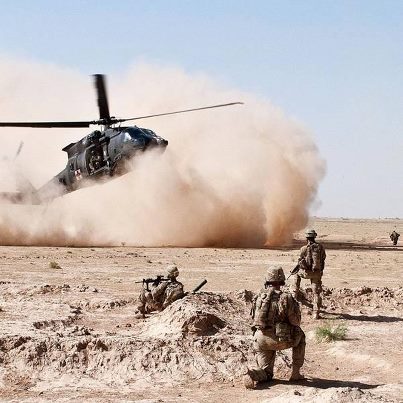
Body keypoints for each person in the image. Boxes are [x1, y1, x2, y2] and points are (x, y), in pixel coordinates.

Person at [244, 266, 306, 389]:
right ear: (282, 280)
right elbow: (295, 322)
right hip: (282, 339)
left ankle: (253, 375)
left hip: (261, 340)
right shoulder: (286, 297)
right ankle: (295, 373)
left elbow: (253, 319)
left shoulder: (258, 297)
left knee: (266, 373)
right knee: (301, 335)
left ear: (267, 280)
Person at [291, 229, 326, 319]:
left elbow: (300, 260)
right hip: (316, 273)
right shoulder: (320, 247)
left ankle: (295, 293)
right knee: (316, 293)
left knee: (296, 274)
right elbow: (323, 258)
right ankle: (316, 313)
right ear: (314, 237)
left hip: (306, 273)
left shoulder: (303, 248)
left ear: (306, 238)